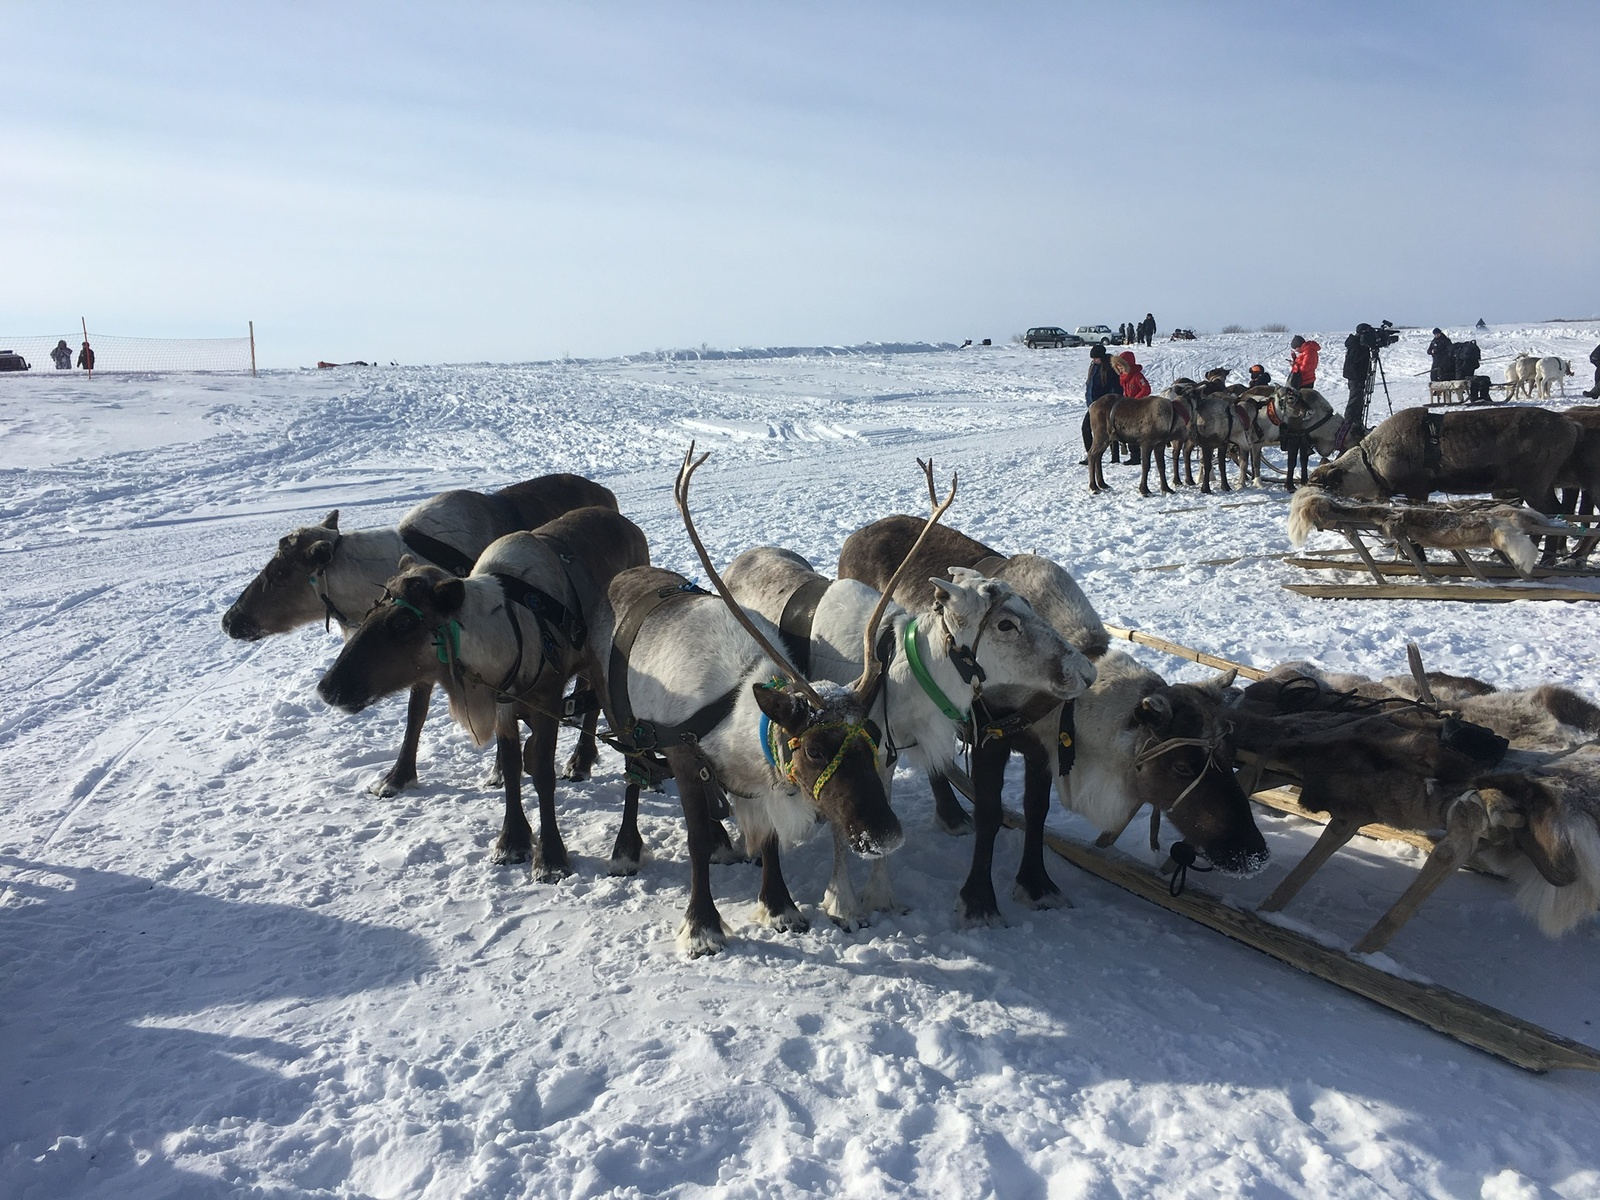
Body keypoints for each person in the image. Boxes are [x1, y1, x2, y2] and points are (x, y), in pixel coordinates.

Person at [1338, 324, 1376, 449]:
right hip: (1355, 376)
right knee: (1355, 399)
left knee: (1359, 399)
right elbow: (1355, 359)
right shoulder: (1356, 344)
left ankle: (1357, 423)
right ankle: (1349, 423)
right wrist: (1366, 351)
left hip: (1358, 376)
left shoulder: (1357, 343)